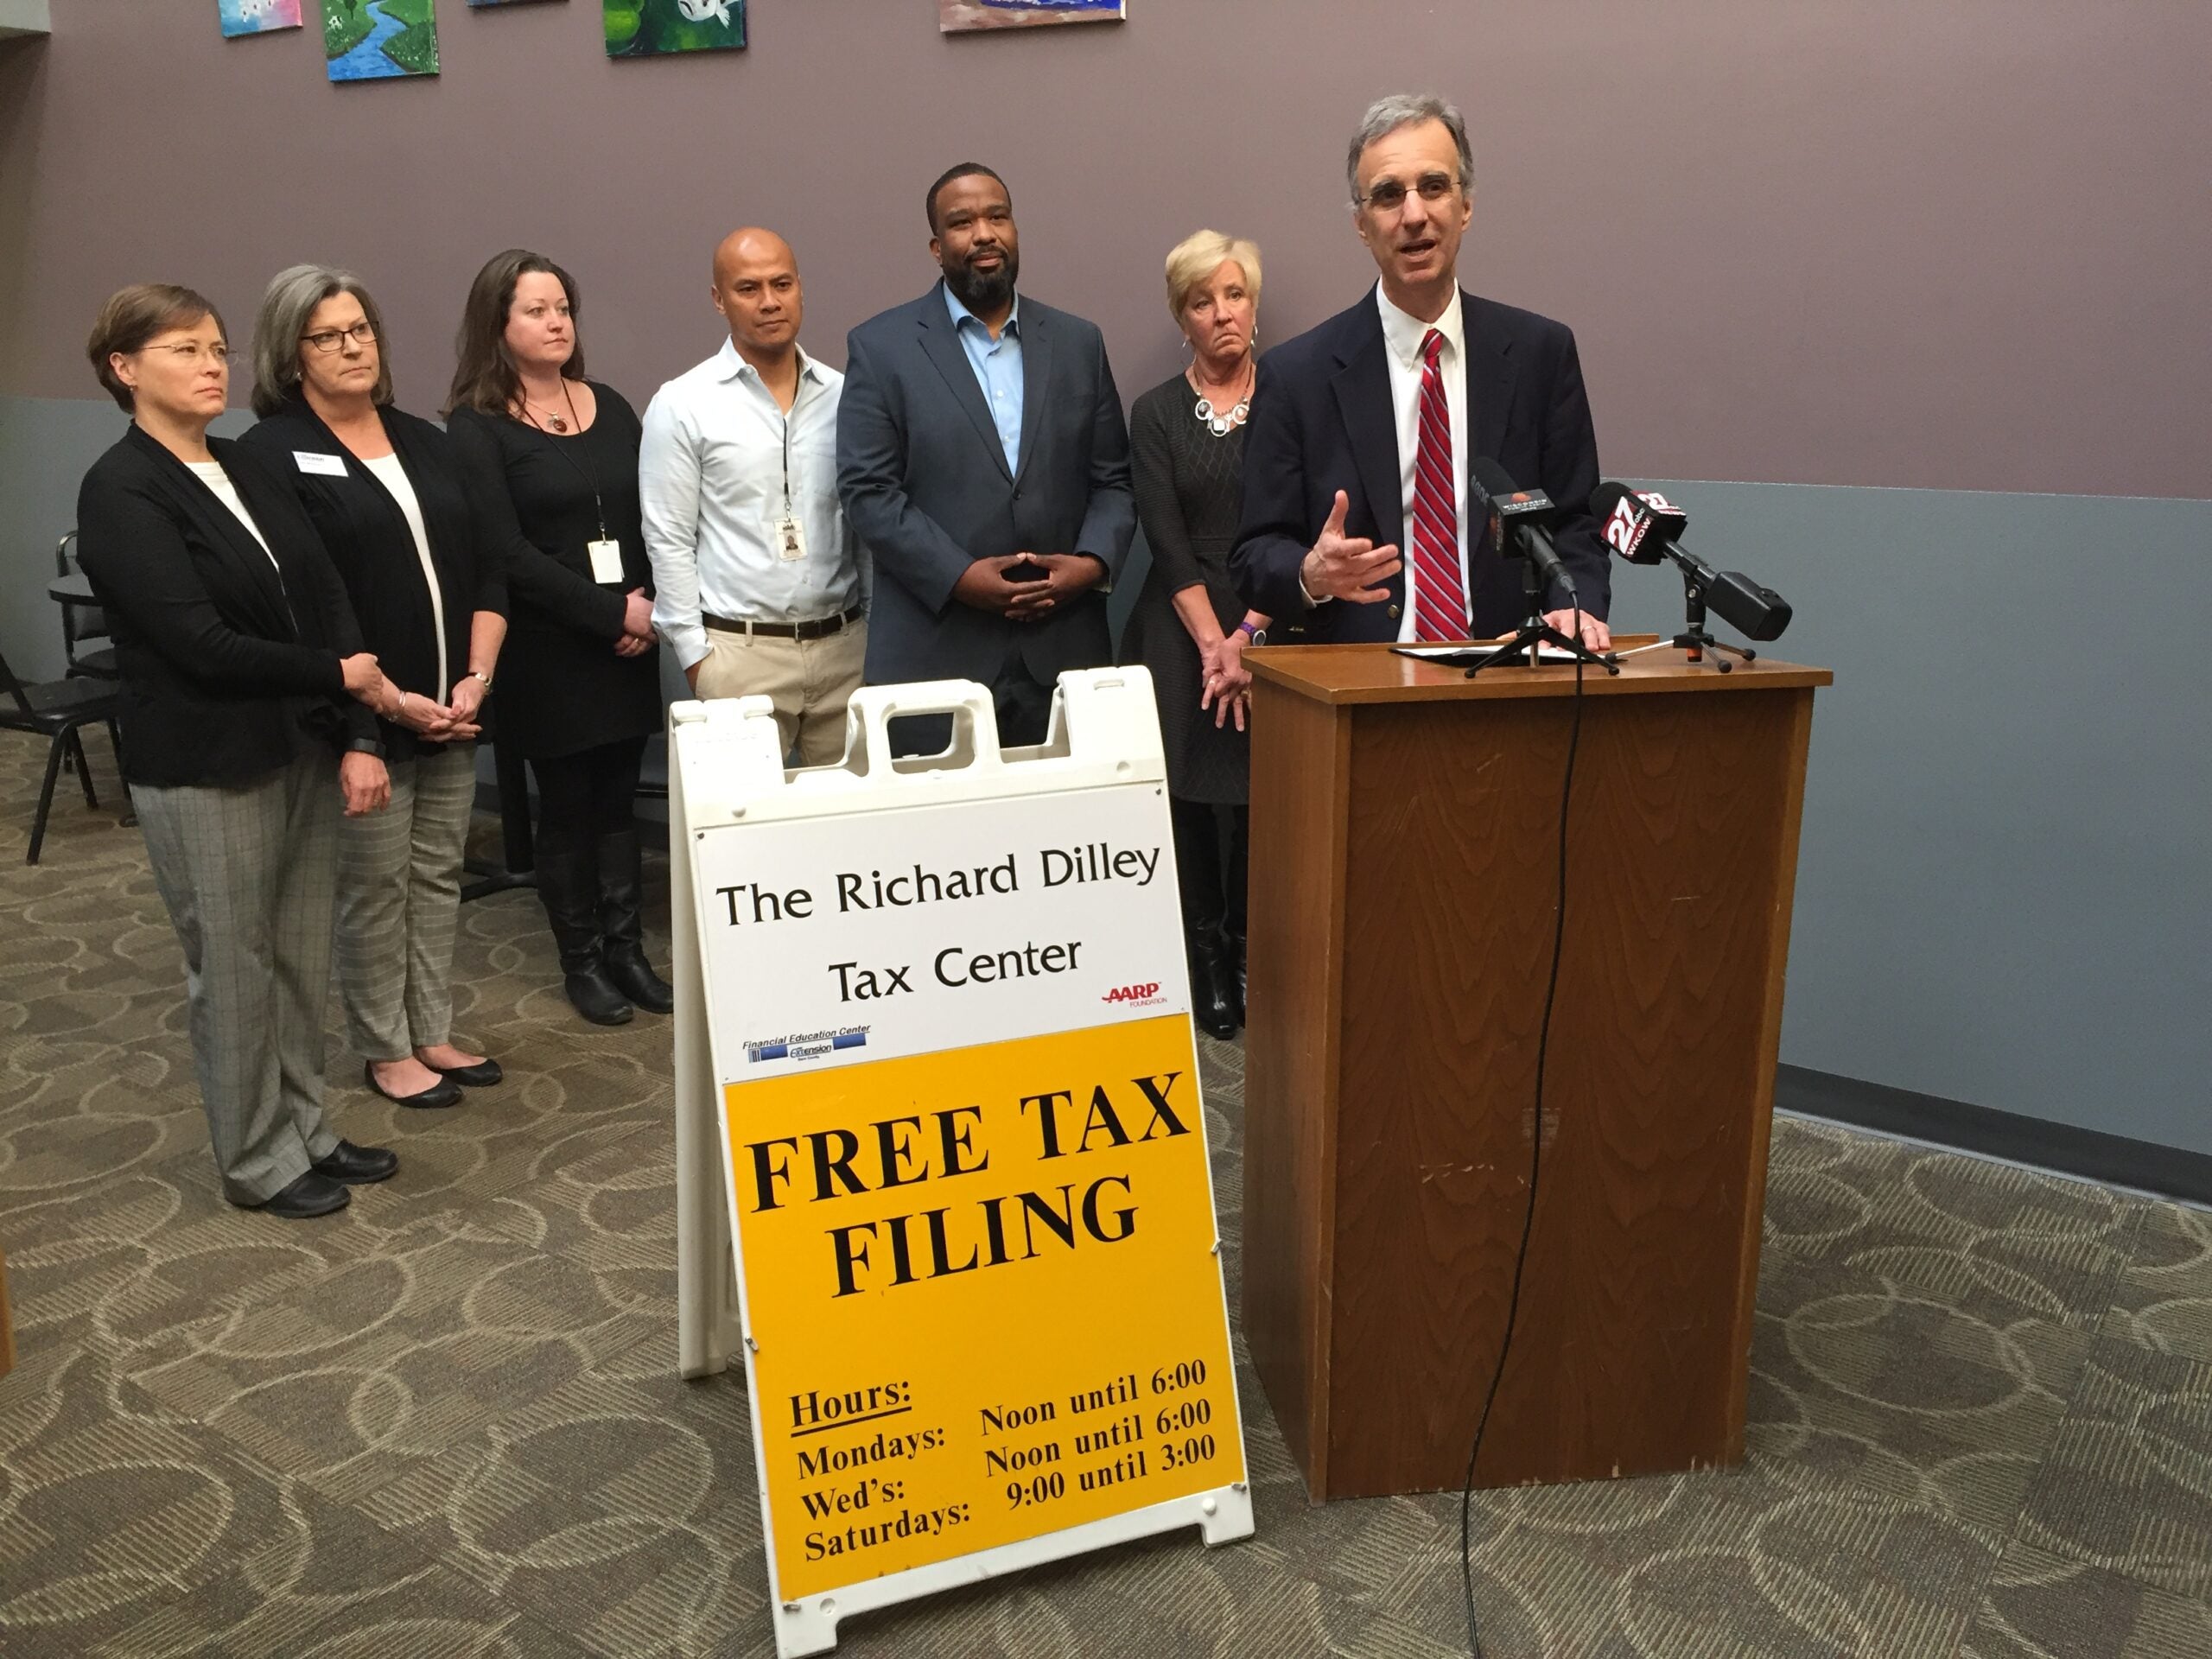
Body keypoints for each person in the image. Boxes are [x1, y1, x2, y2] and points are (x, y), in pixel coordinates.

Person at [74, 283, 401, 1220]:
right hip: (206, 760)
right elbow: (198, 643)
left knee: (297, 957)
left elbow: (325, 594)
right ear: (124, 368)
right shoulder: (121, 488)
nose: (212, 365)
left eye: (218, 348)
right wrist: (338, 675)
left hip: (298, 742)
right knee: (233, 966)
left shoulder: (246, 463)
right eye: (185, 349)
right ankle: (257, 1157)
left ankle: (307, 1128)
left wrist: (356, 727)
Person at [242, 265, 509, 1110]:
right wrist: (384, 706)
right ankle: (384, 1048)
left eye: (361, 330)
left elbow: (486, 567)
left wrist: (476, 679)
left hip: (452, 707)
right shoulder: (271, 454)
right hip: (361, 719)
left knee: (435, 876)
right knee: (374, 885)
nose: (352, 347)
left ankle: (430, 1028)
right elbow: (307, 601)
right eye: (327, 336)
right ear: (291, 355)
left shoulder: (423, 439)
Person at [1231, 93, 1612, 647]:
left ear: (1466, 206)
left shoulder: (1541, 355)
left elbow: (1576, 524)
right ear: (1362, 224)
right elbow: (1253, 555)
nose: (1414, 215)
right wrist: (1310, 574)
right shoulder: (1296, 376)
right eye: (1389, 195)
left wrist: (1574, 609)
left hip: (1510, 667)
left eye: (1433, 187)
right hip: (1359, 680)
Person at [445, 250, 673, 1027]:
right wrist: (614, 616)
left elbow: (652, 515)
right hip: (549, 651)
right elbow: (505, 554)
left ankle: (628, 952)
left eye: (563, 309)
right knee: (569, 809)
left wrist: (648, 606)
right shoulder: (476, 427)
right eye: (536, 310)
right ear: (497, 324)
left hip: (628, 642)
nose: (556, 323)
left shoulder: (608, 403)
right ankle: (583, 961)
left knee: (617, 803)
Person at [837, 162, 1136, 753]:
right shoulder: (881, 347)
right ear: (936, 247)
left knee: (1067, 814)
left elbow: (1113, 481)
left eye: (997, 216)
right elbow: (868, 492)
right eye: (962, 222)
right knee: (936, 816)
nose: (983, 233)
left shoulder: (1078, 343)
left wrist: (1091, 564)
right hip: (936, 654)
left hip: (1063, 653)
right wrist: (960, 577)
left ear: (1015, 230)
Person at [1121, 231, 1271, 1040]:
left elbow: (1302, 523)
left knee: (1262, 794)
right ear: (1183, 318)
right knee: (1182, 796)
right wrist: (1217, 645)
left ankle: (1249, 952)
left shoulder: (1291, 396)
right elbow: (1166, 539)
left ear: (1254, 304)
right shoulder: (1154, 412)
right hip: (1179, 627)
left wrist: (1249, 633)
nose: (1222, 313)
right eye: (1202, 301)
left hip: (1272, 614)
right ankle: (1206, 956)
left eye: (1234, 294)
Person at [641, 227, 867, 765]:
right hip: (738, 657)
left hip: (846, 651)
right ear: (719, 300)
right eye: (748, 288)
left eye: (781, 284)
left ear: (800, 288)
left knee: (852, 815)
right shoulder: (683, 404)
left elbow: (865, 522)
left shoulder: (847, 396)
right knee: (740, 817)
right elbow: (668, 538)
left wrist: (873, 632)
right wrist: (697, 659)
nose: (769, 301)